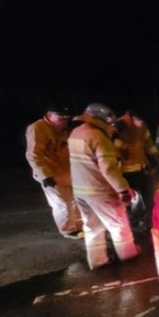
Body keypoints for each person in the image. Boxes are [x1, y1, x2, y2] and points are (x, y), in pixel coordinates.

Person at [69, 103, 139, 269]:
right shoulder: (98, 137)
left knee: (92, 227)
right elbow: (109, 169)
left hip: (80, 191)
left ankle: (98, 261)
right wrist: (123, 190)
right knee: (119, 225)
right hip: (99, 191)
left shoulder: (76, 133)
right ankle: (129, 257)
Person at [25, 105, 83, 239]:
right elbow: (33, 154)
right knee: (62, 203)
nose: (64, 120)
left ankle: (78, 226)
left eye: (66, 118)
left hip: (67, 172)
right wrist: (44, 175)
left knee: (74, 201)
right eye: (61, 117)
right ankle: (68, 230)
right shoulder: (37, 128)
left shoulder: (64, 129)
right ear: (50, 114)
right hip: (52, 174)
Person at [113, 109, 159, 230]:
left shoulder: (142, 127)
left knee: (148, 197)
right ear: (133, 119)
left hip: (142, 168)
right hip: (126, 173)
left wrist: (154, 160)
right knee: (133, 200)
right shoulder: (120, 126)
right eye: (141, 121)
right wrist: (123, 148)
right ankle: (132, 223)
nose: (143, 125)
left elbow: (149, 144)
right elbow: (111, 145)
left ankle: (146, 222)